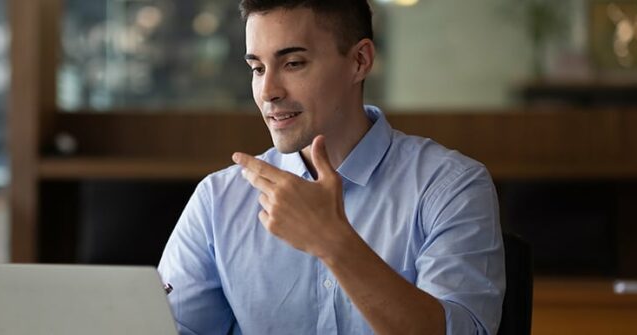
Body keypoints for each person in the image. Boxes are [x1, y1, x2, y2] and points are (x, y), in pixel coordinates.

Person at [157, 1, 505, 334]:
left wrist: (333, 243)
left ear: (359, 60)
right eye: (257, 69)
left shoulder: (451, 186)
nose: (268, 91)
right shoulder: (218, 199)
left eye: (293, 63)